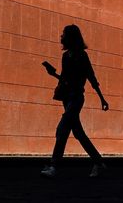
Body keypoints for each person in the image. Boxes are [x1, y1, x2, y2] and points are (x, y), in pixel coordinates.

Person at [41, 24, 109, 179]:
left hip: (76, 98)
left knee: (62, 129)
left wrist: (102, 99)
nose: (61, 36)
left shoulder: (82, 56)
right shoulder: (65, 56)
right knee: (78, 133)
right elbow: (65, 79)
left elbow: (91, 77)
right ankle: (98, 162)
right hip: (67, 98)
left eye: (64, 34)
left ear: (71, 37)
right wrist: (53, 74)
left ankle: (54, 166)